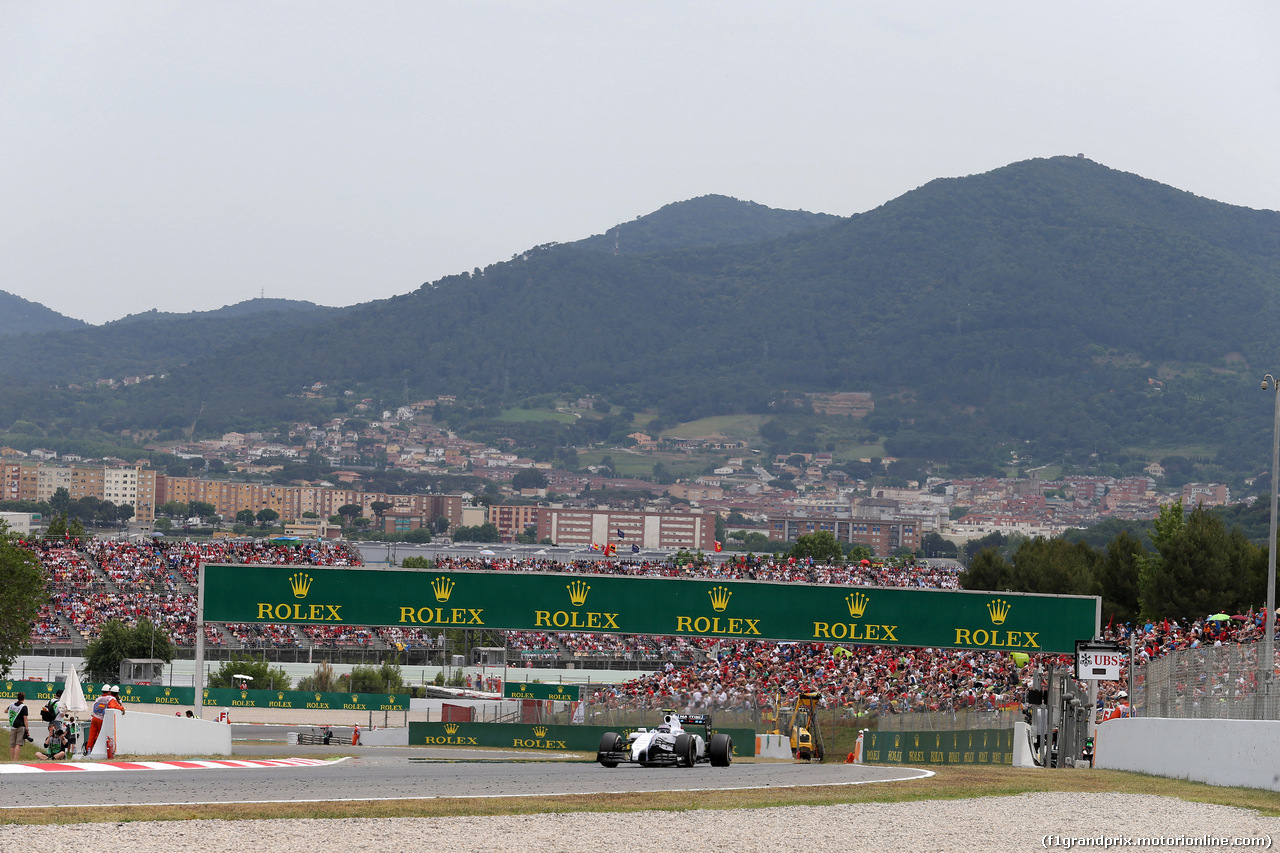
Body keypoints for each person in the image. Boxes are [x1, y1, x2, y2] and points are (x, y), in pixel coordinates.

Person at [85, 685, 126, 754]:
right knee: (100, 736)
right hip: (101, 719)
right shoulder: (110, 698)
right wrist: (122, 708)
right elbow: (113, 706)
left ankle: (89, 749)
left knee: (91, 735)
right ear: (109, 691)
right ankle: (98, 750)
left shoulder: (98, 698)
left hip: (94, 718)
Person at [7, 691, 31, 761]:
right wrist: (27, 729)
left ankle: (11, 759)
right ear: (24, 698)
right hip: (20, 727)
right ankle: (15, 760)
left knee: (12, 744)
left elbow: (6, 711)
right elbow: (25, 719)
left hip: (13, 726)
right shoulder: (23, 707)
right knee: (18, 743)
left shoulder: (12, 705)